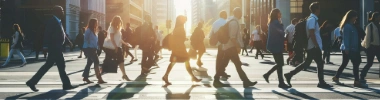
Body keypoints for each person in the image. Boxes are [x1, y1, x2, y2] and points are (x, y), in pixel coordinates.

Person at [26, 6, 76, 92]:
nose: (63, 12)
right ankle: (66, 84)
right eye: (61, 11)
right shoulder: (52, 21)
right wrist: (45, 46)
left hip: (57, 48)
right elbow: (47, 34)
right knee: (61, 66)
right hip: (54, 48)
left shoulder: (58, 21)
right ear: (57, 12)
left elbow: (63, 34)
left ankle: (32, 82)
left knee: (49, 66)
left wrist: (68, 41)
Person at [284, 2, 333, 88]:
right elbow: (311, 33)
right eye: (319, 8)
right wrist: (316, 45)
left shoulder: (312, 19)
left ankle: (289, 75)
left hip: (311, 46)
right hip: (313, 46)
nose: (320, 10)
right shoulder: (312, 20)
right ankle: (321, 82)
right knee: (320, 63)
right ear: (316, 9)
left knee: (307, 63)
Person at [213, 8, 257, 88]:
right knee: (236, 64)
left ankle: (216, 80)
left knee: (228, 64)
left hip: (228, 47)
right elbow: (233, 37)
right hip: (231, 47)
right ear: (237, 13)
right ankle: (245, 81)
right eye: (240, 12)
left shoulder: (232, 21)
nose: (241, 14)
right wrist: (237, 46)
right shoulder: (234, 23)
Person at [162, 15, 202, 85]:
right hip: (179, 49)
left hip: (177, 48)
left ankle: (166, 76)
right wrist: (184, 39)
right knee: (185, 61)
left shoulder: (177, 28)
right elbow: (179, 38)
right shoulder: (180, 28)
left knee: (175, 62)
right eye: (184, 20)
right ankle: (192, 77)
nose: (185, 21)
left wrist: (183, 38)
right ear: (181, 21)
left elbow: (177, 38)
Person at [332, 10, 365, 88]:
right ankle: (356, 81)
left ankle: (336, 77)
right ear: (351, 17)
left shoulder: (352, 25)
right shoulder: (347, 26)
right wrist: (347, 48)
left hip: (352, 48)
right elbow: (346, 38)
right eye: (355, 16)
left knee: (345, 63)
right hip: (349, 49)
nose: (356, 18)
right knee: (355, 64)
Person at [263, 9, 291, 88]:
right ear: (276, 14)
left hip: (274, 45)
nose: (281, 14)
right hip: (276, 45)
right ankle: (268, 75)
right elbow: (281, 32)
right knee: (280, 64)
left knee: (279, 64)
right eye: (279, 13)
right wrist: (281, 25)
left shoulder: (272, 22)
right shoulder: (276, 22)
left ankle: (280, 82)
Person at [103, 16, 132, 81]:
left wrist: (125, 43)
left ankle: (124, 75)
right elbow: (112, 39)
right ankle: (99, 75)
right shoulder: (112, 28)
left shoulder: (117, 29)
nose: (120, 22)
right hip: (112, 48)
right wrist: (116, 47)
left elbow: (119, 39)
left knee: (121, 61)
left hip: (117, 47)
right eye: (119, 21)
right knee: (107, 62)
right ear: (116, 21)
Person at [81, 18, 106, 84]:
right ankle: (99, 78)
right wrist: (90, 45)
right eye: (96, 23)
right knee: (96, 62)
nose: (97, 24)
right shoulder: (88, 30)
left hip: (93, 48)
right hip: (89, 48)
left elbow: (95, 40)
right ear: (92, 23)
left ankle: (85, 77)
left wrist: (97, 46)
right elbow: (85, 39)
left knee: (89, 63)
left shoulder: (94, 31)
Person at [209, 10, 231, 80]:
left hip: (218, 43)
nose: (227, 16)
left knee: (219, 58)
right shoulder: (226, 22)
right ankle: (219, 73)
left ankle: (220, 72)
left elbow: (210, 34)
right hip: (225, 43)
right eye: (226, 14)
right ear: (224, 15)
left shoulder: (215, 23)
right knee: (225, 58)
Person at [361, 12, 380, 86]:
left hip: (378, 46)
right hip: (372, 46)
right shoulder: (370, 26)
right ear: (375, 17)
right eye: (378, 17)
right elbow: (367, 37)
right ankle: (362, 75)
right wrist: (367, 47)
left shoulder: (379, 25)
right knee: (369, 63)